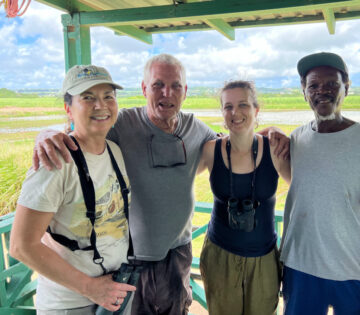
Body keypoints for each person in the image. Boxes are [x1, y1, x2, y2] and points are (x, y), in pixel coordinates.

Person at [31, 54, 290, 315]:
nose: (167, 93)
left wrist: (270, 132)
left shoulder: (197, 130)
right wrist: (49, 133)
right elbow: (86, 127)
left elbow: (236, 140)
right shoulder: (121, 124)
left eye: (176, 85)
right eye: (157, 85)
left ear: (185, 92)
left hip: (178, 254)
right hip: (130, 260)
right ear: (144, 89)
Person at [10, 65, 136, 314]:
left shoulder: (115, 151)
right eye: (87, 98)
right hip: (70, 304)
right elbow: (21, 245)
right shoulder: (54, 162)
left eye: (108, 96)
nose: (100, 105)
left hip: (115, 293)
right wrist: (90, 288)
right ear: (68, 109)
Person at [280, 52, 360, 315]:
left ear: (346, 88)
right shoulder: (297, 138)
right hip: (300, 270)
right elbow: (304, 186)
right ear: (304, 92)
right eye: (313, 86)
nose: (322, 91)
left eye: (332, 84)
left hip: (354, 273)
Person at [197, 81, 290, 315]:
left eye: (243, 105)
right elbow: (176, 179)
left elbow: (304, 189)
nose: (235, 113)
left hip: (264, 259)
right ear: (222, 112)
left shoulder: (274, 149)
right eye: (228, 107)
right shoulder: (211, 150)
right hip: (220, 256)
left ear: (256, 110)